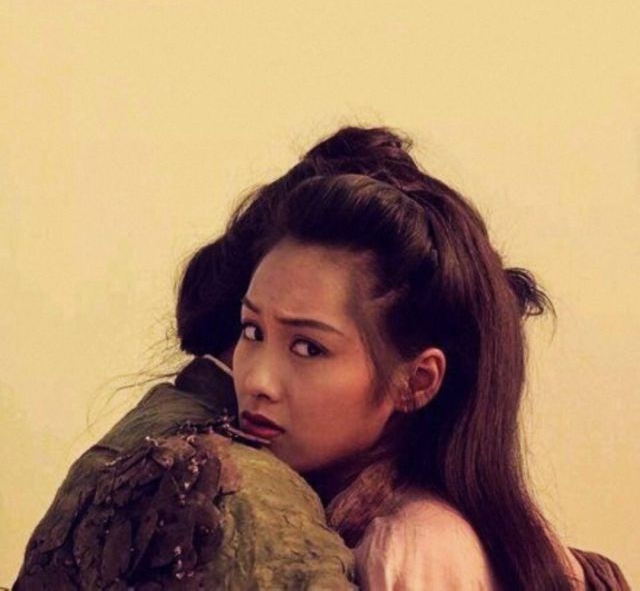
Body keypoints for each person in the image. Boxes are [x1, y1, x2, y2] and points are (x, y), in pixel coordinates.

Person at [177, 126, 630, 590]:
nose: (258, 380)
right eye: (253, 331)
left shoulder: (407, 554)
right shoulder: (310, 508)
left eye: (309, 347)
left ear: (416, 382)